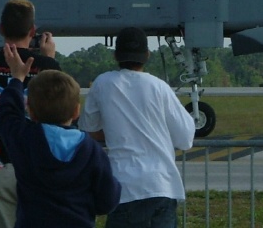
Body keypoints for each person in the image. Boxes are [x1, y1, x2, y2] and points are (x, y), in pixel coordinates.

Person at [81, 27, 195, 228]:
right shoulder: (159, 87)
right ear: (147, 55)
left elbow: (88, 128)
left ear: (116, 55)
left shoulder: (103, 83)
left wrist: (118, 133)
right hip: (162, 185)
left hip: (124, 188)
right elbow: (185, 139)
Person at [0, 43, 121, 226]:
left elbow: (7, 113)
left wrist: (17, 78)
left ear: (30, 110)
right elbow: (107, 201)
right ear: (76, 111)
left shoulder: (26, 139)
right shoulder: (91, 151)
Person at [0, 0, 61, 228]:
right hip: (40, 166)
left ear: (1, 29)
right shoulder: (48, 67)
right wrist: (48, 60)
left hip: (0, 162)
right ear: (33, 31)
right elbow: (56, 106)